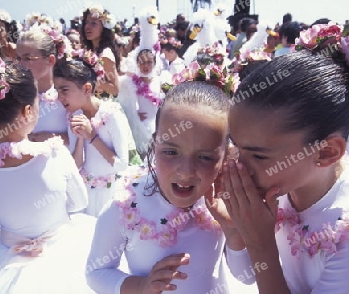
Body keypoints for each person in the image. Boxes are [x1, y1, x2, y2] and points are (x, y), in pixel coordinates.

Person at [225, 21, 349, 293]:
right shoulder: (288, 187)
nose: (237, 165)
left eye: (258, 156)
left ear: (326, 153)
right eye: (236, 147)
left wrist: (260, 244)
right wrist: (236, 229)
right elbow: (245, 276)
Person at [0, 48, 96, 293]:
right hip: (64, 250)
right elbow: (79, 202)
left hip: (3, 258)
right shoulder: (53, 152)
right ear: (27, 111)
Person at [86, 81, 253, 293]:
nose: (186, 171)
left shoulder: (226, 201)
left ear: (226, 156)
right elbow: (96, 272)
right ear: (155, 145)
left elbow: (246, 277)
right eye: (171, 152)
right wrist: (141, 286)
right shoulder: (126, 206)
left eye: (205, 157)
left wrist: (233, 229)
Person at [53, 55, 132, 217]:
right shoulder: (74, 116)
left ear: (87, 89)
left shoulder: (111, 113)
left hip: (112, 193)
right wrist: (81, 138)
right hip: (87, 193)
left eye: (64, 90)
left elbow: (122, 164)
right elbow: (77, 165)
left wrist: (92, 136)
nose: (59, 97)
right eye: (57, 91)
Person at [16, 23, 69, 144]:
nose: (21, 64)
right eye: (18, 58)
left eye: (28, 58)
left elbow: (83, 137)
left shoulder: (66, 95)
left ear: (50, 60)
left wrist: (55, 137)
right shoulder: (14, 96)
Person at [117, 49, 163, 157]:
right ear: (137, 63)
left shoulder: (159, 80)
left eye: (149, 62)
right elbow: (123, 103)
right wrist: (134, 114)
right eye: (142, 62)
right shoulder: (131, 82)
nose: (145, 65)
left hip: (158, 124)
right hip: (141, 126)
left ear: (154, 63)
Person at [81, 3, 120, 98]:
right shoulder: (90, 51)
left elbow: (115, 89)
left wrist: (92, 80)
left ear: (104, 28)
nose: (87, 26)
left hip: (103, 107)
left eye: (93, 23)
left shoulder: (105, 55)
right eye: (86, 22)